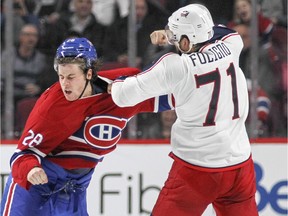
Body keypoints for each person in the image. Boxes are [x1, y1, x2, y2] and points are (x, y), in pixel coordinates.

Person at [109, 4, 258, 215]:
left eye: (176, 38)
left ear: (186, 42)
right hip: (240, 166)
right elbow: (221, 31)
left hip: (197, 171)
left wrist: (114, 83)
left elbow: (123, 96)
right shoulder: (232, 44)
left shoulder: (176, 66)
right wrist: (173, 35)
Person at [0, 37, 174, 216]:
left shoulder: (122, 88)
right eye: (61, 76)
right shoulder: (52, 106)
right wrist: (32, 169)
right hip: (34, 189)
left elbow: (168, 97)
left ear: (89, 74)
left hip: (74, 191)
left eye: (71, 77)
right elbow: (21, 155)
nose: (64, 84)